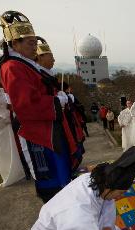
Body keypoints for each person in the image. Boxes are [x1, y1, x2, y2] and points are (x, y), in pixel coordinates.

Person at [0, 11, 71, 202]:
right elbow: (26, 104)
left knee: (59, 175)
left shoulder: (23, 64)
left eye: (35, 42)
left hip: (46, 127)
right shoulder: (12, 67)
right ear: (15, 43)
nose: (35, 47)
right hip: (38, 133)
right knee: (51, 182)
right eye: (30, 42)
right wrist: (57, 101)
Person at [15, 146, 135, 230]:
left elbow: (107, 202)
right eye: (119, 193)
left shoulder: (96, 179)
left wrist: (107, 226)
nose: (119, 197)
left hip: (71, 225)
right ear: (109, 187)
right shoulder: (78, 217)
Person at [35, 37, 83, 172]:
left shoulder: (46, 74)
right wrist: (58, 99)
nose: (54, 60)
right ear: (41, 57)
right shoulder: (38, 74)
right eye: (51, 56)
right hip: (51, 121)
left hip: (60, 117)